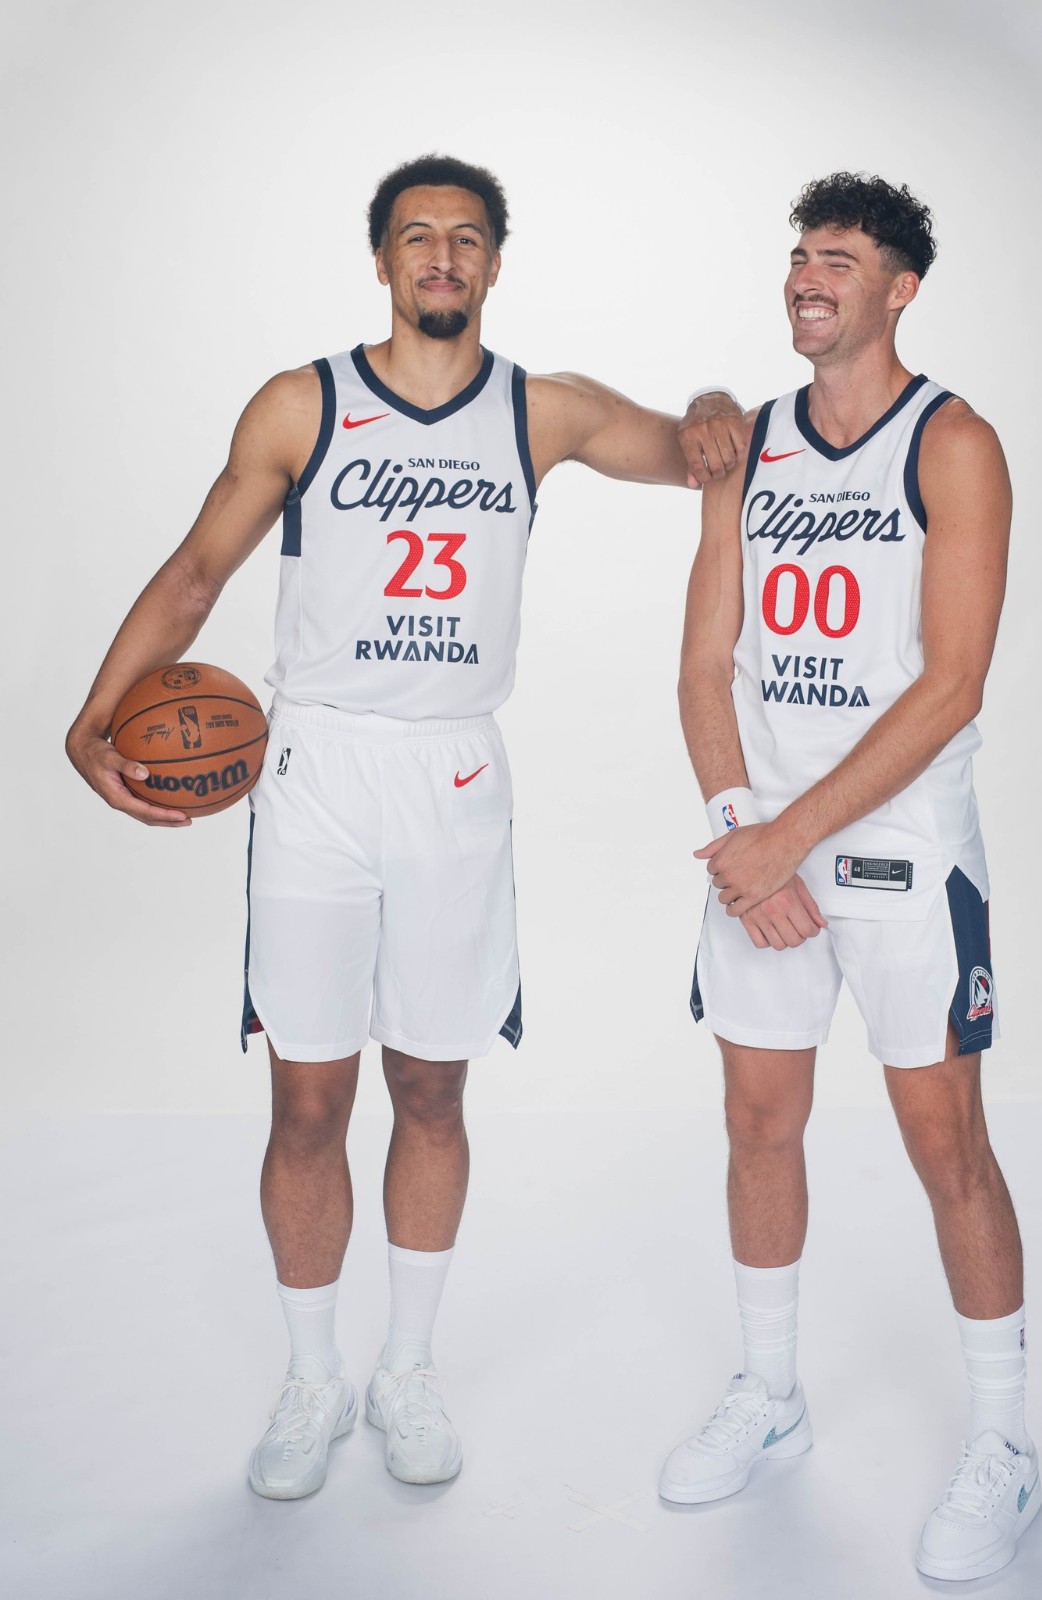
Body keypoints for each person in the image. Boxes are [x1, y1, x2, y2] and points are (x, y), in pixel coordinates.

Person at [65, 154, 745, 1501]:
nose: (442, 255)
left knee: (432, 1087)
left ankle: (408, 1370)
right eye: (418, 236)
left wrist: (717, 404)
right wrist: (93, 718)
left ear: (494, 264)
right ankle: (313, 1375)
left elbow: (692, 450)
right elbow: (198, 573)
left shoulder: (540, 411)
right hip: (317, 768)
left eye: (467, 237)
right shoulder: (303, 404)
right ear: (380, 261)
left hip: (454, 774)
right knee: (309, 1096)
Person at [662, 172, 1032, 1582]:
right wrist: (739, 831)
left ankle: (1003, 1441)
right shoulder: (745, 446)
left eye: (842, 259)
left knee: (947, 1144)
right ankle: (771, 1393)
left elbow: (951, 685)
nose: (810, 276)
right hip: (758, 855)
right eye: (801, 256)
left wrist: (785, 836)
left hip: (902, 851)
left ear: (900, 289)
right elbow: (704, 665)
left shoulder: (955, 443)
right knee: (759, 1121)